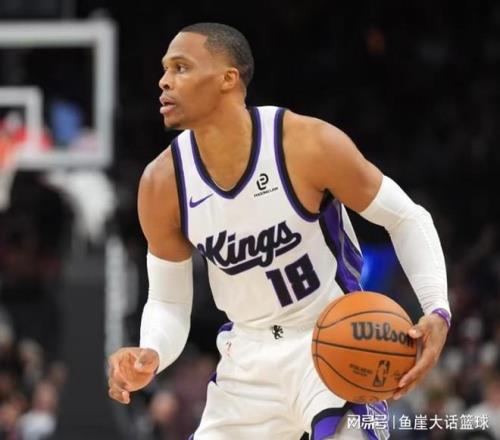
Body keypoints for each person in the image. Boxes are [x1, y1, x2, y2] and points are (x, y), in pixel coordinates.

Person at [107, 23, 451, 439]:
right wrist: (151, 351)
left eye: (180, 67)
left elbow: (406, 218)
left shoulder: (306, 144)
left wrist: (437, 309)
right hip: (247, 358)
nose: (164, 80)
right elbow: (168, 302)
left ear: (228, 79)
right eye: (165, 69)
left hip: (331, 335)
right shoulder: (162, 184)